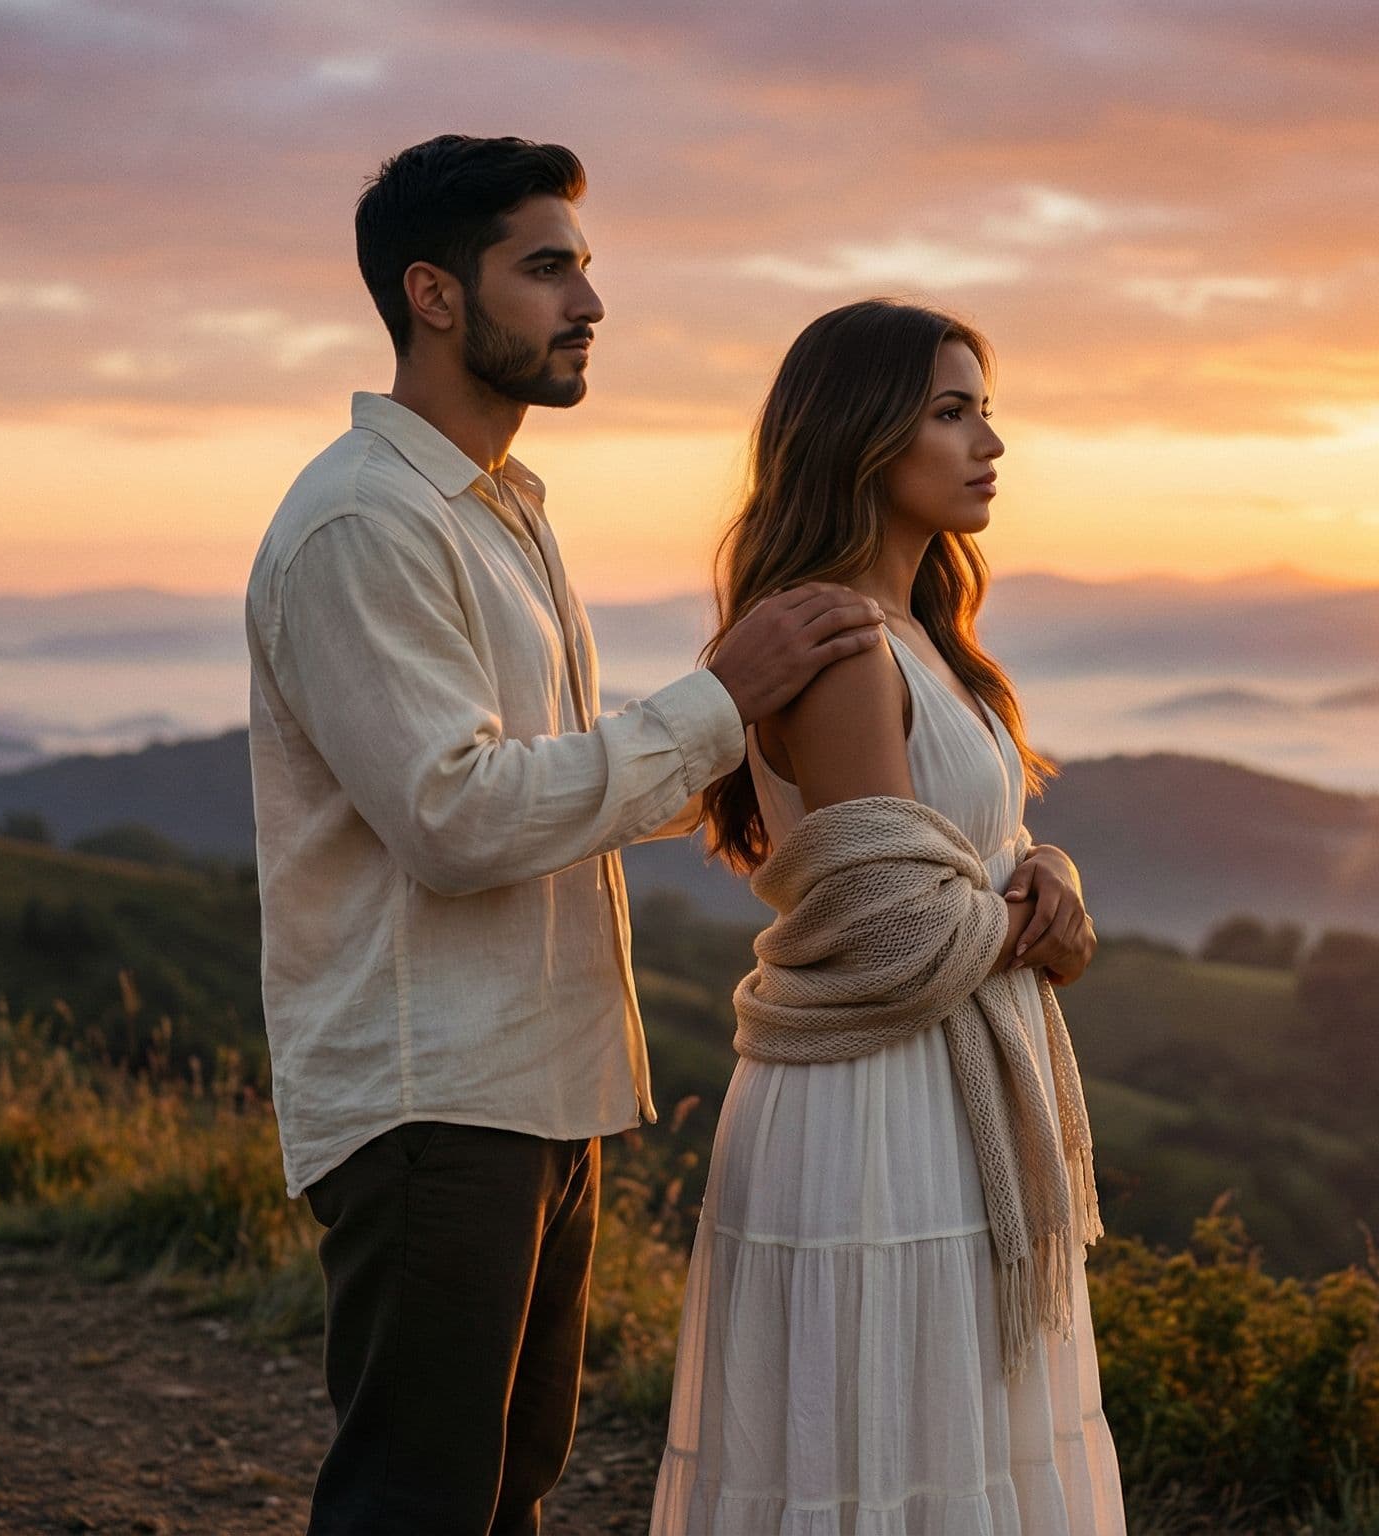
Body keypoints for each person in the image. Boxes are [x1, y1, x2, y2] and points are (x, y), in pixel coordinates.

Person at [242, 135, 886, 1536]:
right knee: (418, 1504)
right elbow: (458, 817)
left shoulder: (502, 514)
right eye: (546, 269)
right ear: (433, 293)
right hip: (433, 1096)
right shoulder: (363, 523)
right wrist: (719, 701)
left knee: (508, 1489)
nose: (589, 303)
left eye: (584, 268)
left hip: (540, 1082)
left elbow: (555, 786)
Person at [649, 299, 1127, 1534]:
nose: (990, 444)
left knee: (944, 1451)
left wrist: (1051, 873)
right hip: (878, 1113)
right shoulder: (843, 643)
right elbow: (894, 929)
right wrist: (1036, 925)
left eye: (985, 411)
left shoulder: (925, 637)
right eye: (951, 412)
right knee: (882, 1461)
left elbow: (967, 854)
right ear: (862, 436)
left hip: (941, 1094)